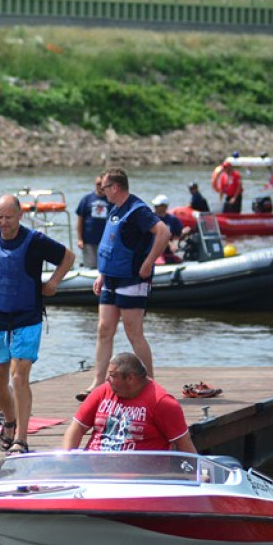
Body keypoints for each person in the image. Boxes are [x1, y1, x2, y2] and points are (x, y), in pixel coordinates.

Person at [0, 194, 75, 455]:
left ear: (20, 215)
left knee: (19, 376)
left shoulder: (35, 241)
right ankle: (10, 420)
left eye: (8, 217)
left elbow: (67, 257)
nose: (3, 222)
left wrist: (54, 282)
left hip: (27, 316)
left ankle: (21, 439)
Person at [79, 168, 171, 402]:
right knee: (103, 330)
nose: (102, 191)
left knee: (133, 332)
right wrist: (102, 274)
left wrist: (149, 262)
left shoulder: (137, 210)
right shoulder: (114, 209)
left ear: (116, 187)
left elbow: (163, 232)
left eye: (106, 187)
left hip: (132, 278)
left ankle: (150, 384)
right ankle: (98, 383)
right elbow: (110, 246)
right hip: (111, 279)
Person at [62, 352, 196, 453]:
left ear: (130, 378)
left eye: (113, 375)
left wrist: (197, 473)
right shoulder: (102, 392)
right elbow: (77, 427)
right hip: (93, 471)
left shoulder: (162, 402)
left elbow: (183, 443)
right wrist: (65, 458)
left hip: (138, 478)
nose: (108, 379)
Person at [74, 176, 110, 268]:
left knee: (105, 266)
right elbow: (80, 220)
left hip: (106, 241)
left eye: (102, 184)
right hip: (89, 241)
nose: (100, 186)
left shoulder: (110, 200)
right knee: (91, 266)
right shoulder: (86, 199)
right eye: (98, 184)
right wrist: (79, 239)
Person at [151, 195, 188, 264]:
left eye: (157, 205)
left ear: (165, 206)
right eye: (155, 205)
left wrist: (185, 233)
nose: (155, 207)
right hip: (154, 252)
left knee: (179, 261)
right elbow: (158, 235)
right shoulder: (152, 219)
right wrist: (170, 244)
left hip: (168, 253)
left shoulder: (172, 219)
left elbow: (178, 234)